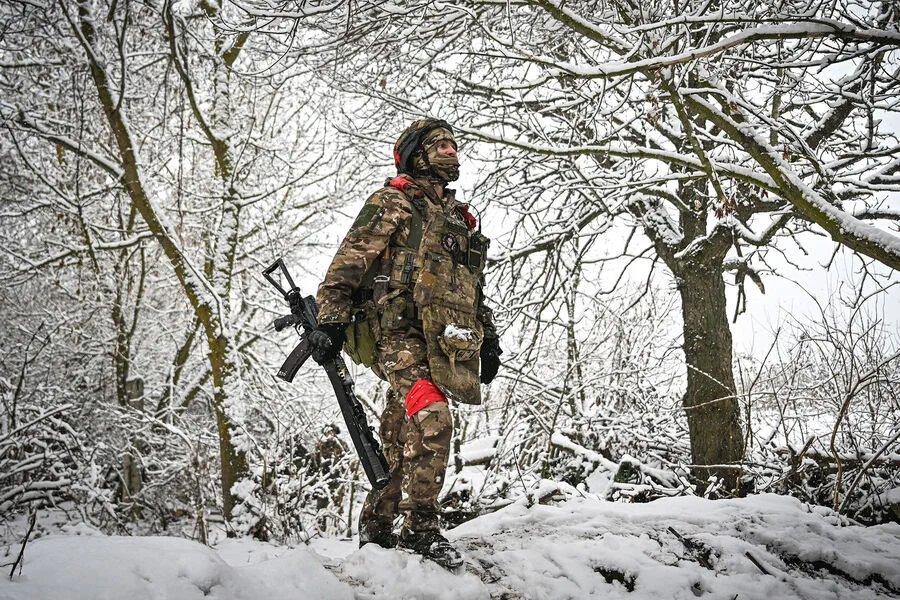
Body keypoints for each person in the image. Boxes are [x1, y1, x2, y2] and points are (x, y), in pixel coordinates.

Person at [307, 118, 502, 569]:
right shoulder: (392, 202)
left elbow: (471, 289)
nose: (452, 151)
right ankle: (421, 529)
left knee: (402, 434)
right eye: (440, 145)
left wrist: (489, 338)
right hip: (395, 336)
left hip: (444, 343)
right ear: (417, 155)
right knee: (434, 418)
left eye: (454, 145)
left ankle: (377, 528)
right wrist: (330, 321)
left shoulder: (458, 219)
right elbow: (346, 266)